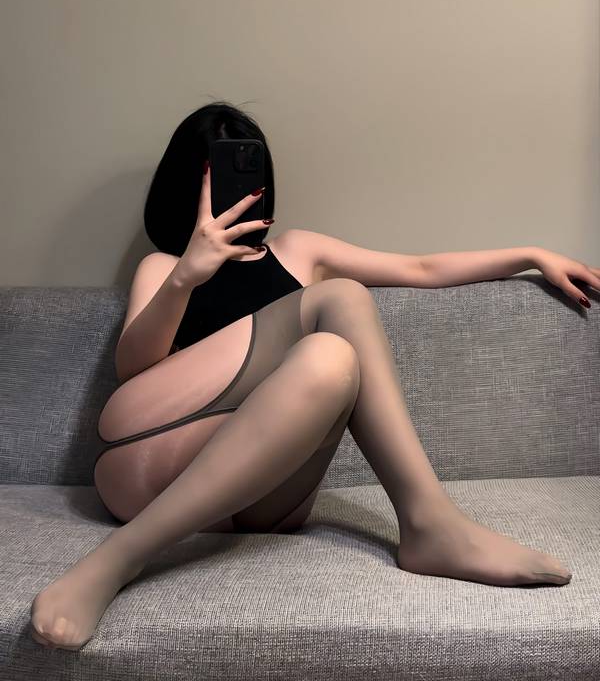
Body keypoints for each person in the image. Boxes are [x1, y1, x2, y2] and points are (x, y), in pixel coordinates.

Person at [29, 101, 572, 651]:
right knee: (340, 299)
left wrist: (529, 254)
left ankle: (430, 526)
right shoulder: (162, 267)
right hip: (148, 470)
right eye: (213, 178)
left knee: (331, 356)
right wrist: (185, 277)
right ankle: (116, 561)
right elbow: (133, 374)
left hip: (262, 502)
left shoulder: (300, 251)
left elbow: (420, 268)